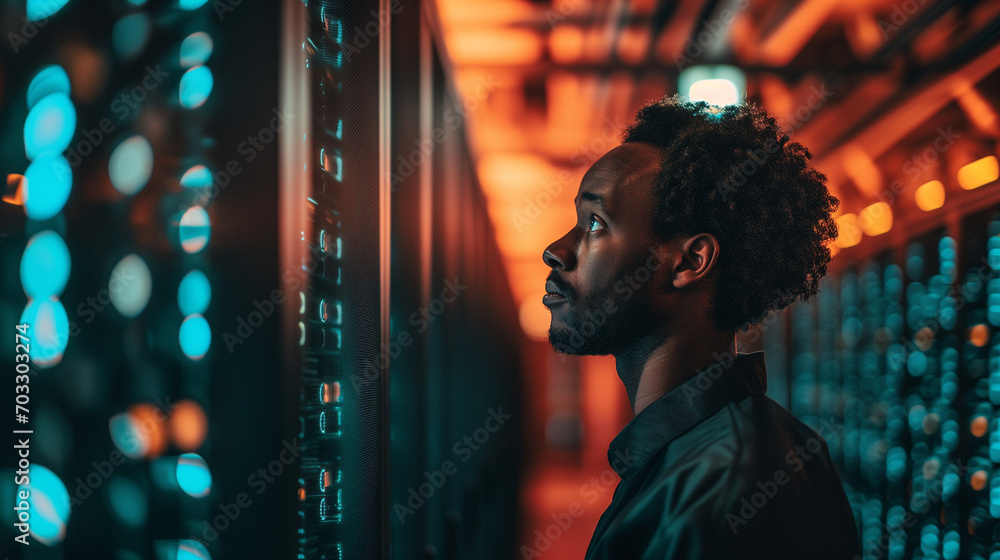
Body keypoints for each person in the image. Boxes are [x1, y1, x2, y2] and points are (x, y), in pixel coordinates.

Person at [541, 95, 861, 559]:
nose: (556, 249)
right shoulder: (742, 451)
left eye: (594, 223)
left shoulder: (718, 492)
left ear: (690, 261)